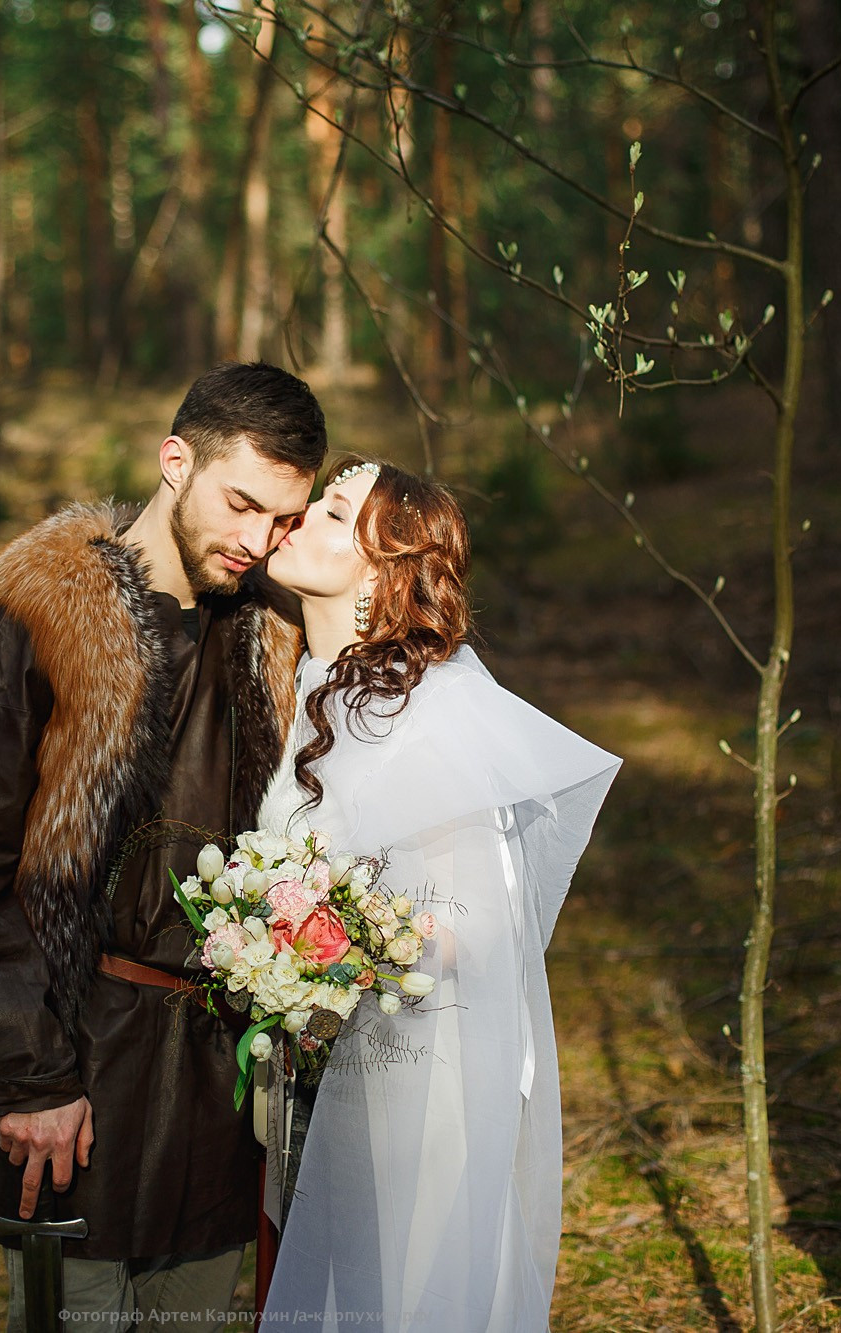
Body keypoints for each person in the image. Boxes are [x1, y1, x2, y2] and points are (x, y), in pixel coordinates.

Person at [0, 362, 325, 1333]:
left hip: (217, 1078)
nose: (256, 541)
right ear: (175, 459)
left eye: (280, 520)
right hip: (75, 1059)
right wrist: (32, 1076)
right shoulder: (27, 618)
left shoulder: (269, 628)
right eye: (241, 504)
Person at [255, 458, 622, 1332]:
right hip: (316, 1059)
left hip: (405, 1076)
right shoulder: (308, 686)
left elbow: (481, 922)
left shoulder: (419, 708)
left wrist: (330, 945)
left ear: (382, 568)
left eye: (332, 510)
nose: (299, 518)